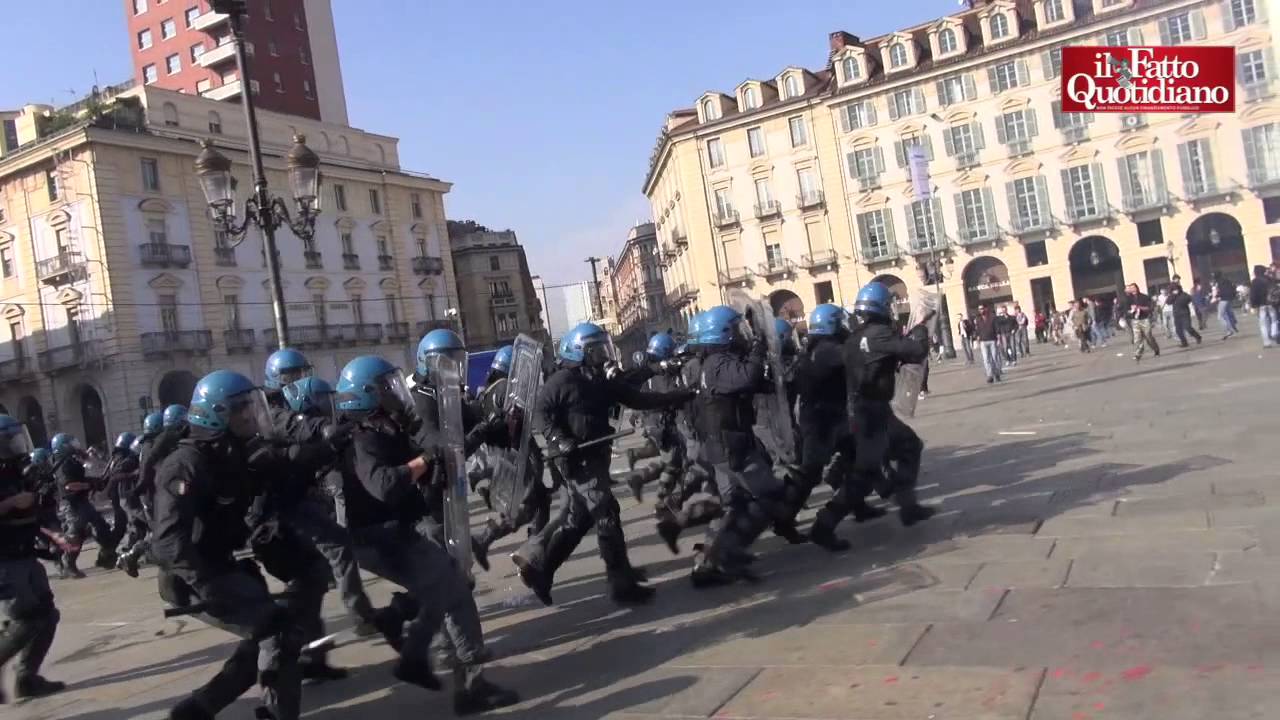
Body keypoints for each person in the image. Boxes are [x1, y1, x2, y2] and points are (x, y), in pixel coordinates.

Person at [334, 355, 519, 714]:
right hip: (378, 538)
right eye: (387, 388)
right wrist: (422, 462)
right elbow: (384, 486)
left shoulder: (387, 425)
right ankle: (466, 682)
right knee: (453, 587)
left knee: (445, 586)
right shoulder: (360, 439)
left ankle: (428, 653)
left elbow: (433, 442)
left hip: (394, 531)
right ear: (367, 396)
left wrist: (471, 437)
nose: (395, 393)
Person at [153, 370, 305, 720]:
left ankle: (198, 708)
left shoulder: (231, 453)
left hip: (224, 566)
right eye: (242, 410)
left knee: (266, 635)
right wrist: (208, 587)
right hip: (191, 576)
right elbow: (167, 543)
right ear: (217, 413)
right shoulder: (186, 464)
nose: (251, 415)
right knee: (277, 632)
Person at [512, 322, 691, 603]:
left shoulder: (600, 381)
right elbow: (539, 413)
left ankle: (541, 571)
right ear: (581, 351)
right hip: (577, 460)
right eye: (597, 350)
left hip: (596, 457)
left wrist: (679, 396)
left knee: (579, 521)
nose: (604, 356)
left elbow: (638, 398)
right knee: (607, 514)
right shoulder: (562, 380)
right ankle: (622, 585)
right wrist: (559, 439)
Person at [810, 283, 936, 549]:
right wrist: (922, 327)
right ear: (881, 307)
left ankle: (908, 505)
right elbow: (916, 350)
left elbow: (874, 363)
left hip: (866, 410)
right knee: (865, 472)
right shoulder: (878, 334)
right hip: (871, 413)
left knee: (908, 446)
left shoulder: (856, 337)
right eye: (889, 305)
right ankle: (824, 524)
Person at [792, 304, 885, 552]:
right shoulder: (827, 350)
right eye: (841, 323)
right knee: (811, 474)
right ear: (833, 324)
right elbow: (856, 357)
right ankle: (816, 524)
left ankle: (856, 504)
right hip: (824, 422)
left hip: (828, 419)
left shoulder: (818, 347)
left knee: (858, 458)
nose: (845, 327)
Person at [468, 344, 557, 570]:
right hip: (515, 454)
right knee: (529, 506)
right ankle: (495, 542)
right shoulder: (507, 388)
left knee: (537, 502)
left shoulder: (488, 391)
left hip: (503, 454)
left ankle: (532, 549)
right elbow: (517, 424)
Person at [0, 415, 66, 704]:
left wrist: (54, 534)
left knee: (47, 615)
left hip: (26, 556)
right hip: (5, 562)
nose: (16, 444)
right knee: (26, 621)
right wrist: (11, 503)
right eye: (9, 439)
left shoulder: (15, 472)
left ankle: (27, 678)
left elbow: (35, 511)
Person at [51, 433, 117, 578]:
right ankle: (67, 563)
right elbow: (70, 486)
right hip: (74, 505)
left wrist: (95, 481)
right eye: (71, 443)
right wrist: (89, 484)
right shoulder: (63, 464)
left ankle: (106, 558)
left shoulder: (71, 460)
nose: (75, 445)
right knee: (75, 536)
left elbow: (82, 475)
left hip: (83, 502)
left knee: (101, 528)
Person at [1125, 283, 1160, 362]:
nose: (1132, 289)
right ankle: (1138, 354)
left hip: (1144, 319)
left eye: (1133, 288)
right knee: (1137, 338)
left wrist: (1140, 308)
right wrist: (1131, 311)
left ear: (1137, 288)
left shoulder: (1144, 297)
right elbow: (1126, 311)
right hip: (1135, 320)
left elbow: (1149, 308)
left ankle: (1156, 349)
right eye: (1131, 288)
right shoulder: (1128, 299)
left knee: (1148, 336)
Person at [1248, 265, 1278, 348]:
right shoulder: (1269, 279)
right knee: (1274, 320)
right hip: (1271, 303)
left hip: (1261, 305)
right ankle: (1274, 333)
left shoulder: (1254, 281)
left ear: (1256, 272)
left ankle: (1267, 343)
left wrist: (1253, 305)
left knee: (1263, 324)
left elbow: (1253, 295)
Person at [1168, 283, 1202, 347]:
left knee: (1188, 327)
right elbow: (1168, 302)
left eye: (1176, 289)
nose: (1175, 290)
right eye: (1174, 289)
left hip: (1185, 313)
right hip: (1176, 314)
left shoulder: (1184, 294)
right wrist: (1173, 295)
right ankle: (1184, 343)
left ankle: (1198, 337)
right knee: (1178, 330)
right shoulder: (1172, 296)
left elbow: (1189, 299)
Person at [974, 304, 1002, 383]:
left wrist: (998, 338)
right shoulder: (978, 319)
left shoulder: (992, 317)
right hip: (983, 341)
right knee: (986, 359)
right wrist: (977, 338)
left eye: (982, 309)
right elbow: (977, 330)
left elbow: (997, 328)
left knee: (994, 358)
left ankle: (997, 373)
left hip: (992, 340)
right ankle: (990, 375)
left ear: (985, 309)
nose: (981, 310)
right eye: (979, 309)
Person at [1212, 272, 1238, 339]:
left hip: (1224, 299)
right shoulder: (1227, 280)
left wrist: (1217, 296)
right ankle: (1233, 325)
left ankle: (1229, 330)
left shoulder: (1220, 282)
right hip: (1229, 299)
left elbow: (1223, 291)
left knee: (1220, 316)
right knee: (1228, 313)